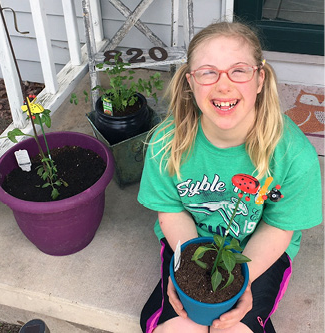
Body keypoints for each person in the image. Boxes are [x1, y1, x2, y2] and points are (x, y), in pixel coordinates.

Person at [137, 21, 323, 333]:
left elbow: (278, 227)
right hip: (189, 244)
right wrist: (186, 271)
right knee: (179, 328)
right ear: (190, 82)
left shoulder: (292, 154)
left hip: (259, 255)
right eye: (208, 72)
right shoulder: (166, 144)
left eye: (239, 70)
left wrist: (241, 283)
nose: (224, 85)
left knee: (234, 329)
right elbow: (171, 210)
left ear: (260, 78)